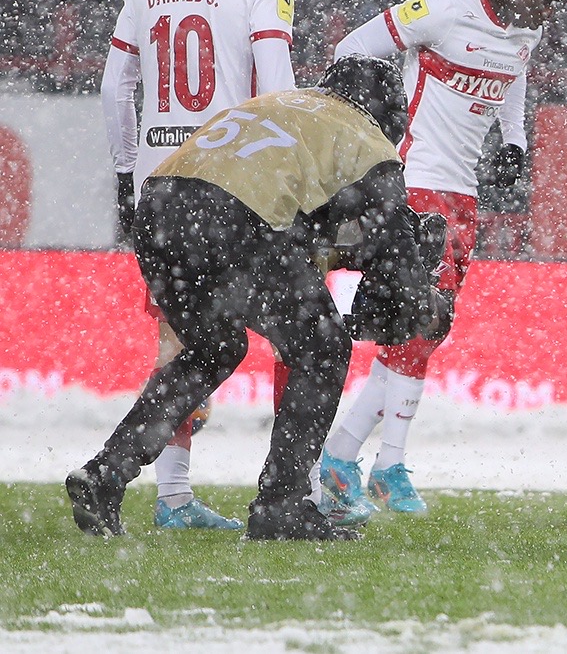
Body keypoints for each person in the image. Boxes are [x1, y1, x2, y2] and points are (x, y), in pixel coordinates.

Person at [66, 56, 438, 540]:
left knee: (214, 349)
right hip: (232, 216)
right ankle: (282, 504)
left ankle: (106, 474)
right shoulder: (365, 141)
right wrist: (426, 303)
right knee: (324, 349)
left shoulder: (289, 106)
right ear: (387, 113)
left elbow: (303, 225)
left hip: (161, 207)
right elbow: (395, 292)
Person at [319, 0, 567, 521]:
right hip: (415, 184)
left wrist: (513, 140)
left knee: (425, 328)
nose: (548, 8)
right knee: (420, 323)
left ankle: (347, 459)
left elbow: (513, 77)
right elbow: (351, 49)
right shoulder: (442, 8)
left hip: (462, 192)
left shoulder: (525, 30)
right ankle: (382, 465)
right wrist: (368, 128)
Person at [99, 0, 297, 531]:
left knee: (179, 338)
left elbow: (113, 87)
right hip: (232, 182)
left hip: (163, 183)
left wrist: (129, 173)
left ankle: (172, 494)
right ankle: (293, 490)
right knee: (305, 332)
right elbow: (275, 91)